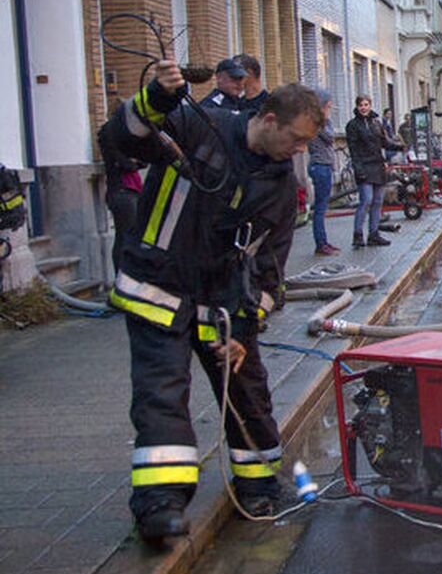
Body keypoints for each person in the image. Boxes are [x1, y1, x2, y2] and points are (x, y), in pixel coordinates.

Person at [101, 59, 323, 542]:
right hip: (158, 286)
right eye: (295, 139)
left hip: (221, 302)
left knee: (248, 392)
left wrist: (244, 331)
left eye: (306, 144)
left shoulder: (281, 185)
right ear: (268, 120)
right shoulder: (198, 127)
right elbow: (122, 141)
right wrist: (157, 98)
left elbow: (269, 269)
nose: (300, 151)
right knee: (162, 394)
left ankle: (259, 484)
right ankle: (160, 506)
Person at [345, 95, 397, 247]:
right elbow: (353, 150)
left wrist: (399, 146)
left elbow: (385, 143)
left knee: (378, 201)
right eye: (361, 105)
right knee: (366, 200)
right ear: (357, 107)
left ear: (370, 105)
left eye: (366, 104)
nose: (364, 107)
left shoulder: (376, 123)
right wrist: (358, 169)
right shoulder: (353, 125)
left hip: (378, 166)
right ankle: (358, 234)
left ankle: (374, 234)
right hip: (364, 166)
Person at [97, 117, 144, 270]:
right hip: (122, 191)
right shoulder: (109, 137)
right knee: (125, 237)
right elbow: (127, 164)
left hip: (131, 190)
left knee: (130, 237)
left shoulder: (125, 140)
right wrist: (132, 162)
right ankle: (121, 276)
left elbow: (143, 161)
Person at [307, 90, 340, 256]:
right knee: (320, 209)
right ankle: (320, 244)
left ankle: (324, 241)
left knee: (323, 207)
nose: (330, 109)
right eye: (328, 106)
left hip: (325, 166)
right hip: (320, 166)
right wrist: (324, 120)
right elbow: (329, 138)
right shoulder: (317, 123)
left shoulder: (323, 122)